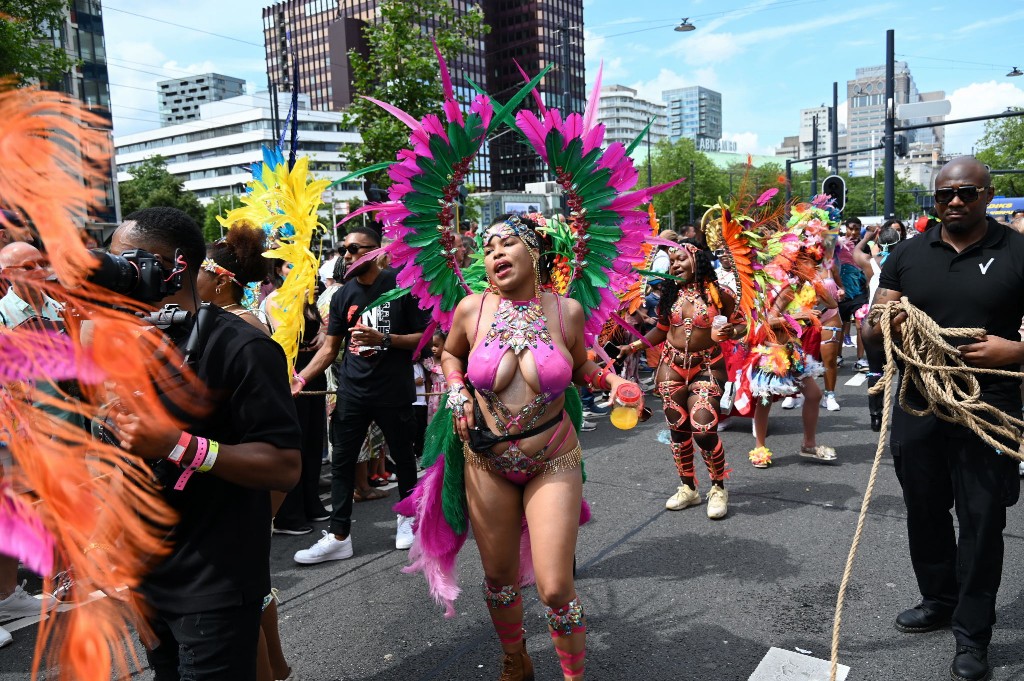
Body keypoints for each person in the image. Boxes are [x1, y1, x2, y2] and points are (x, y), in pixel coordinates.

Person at [442, 214, 640, 680]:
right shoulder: (471, 309)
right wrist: (456, 389)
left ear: (534, 252)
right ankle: (516, 660)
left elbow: (579, 364)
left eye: (508, 244)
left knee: (554, 587)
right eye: (489, 249)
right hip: (486, 459)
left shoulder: (564, 310)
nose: (495, 255)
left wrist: (610, 380)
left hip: (553, 457)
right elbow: (450, 354)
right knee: (498, 580)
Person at [107, 207, 301, 681]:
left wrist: (178, 444)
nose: (114, 275)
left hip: (213, 583)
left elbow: (282, 466)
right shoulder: (121, 344)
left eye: (126, 263)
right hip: (146, 578)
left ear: (174, 265)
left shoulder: (242, 347)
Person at [862, 157, 1024, 681]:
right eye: (944, 194)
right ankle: (939, 598)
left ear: (987, 195)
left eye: (967, 193)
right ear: (933, 199)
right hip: (920, 402)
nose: (955, 201)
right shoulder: (907, 254)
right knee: (924, 508)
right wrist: (880, 321)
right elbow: (874, 334)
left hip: (989, 405)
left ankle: (973, 634)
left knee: (981, 520)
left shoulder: (1017, 250)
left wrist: (1014, 351)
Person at [291, 225, 428, 560]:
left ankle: (407, 519)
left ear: (377, 251)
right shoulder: (342, 296)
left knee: (404, 457)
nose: (348, 255)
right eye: (345, 249)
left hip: (392, 389)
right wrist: (301, 379)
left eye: (356, 249)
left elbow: (426, 341)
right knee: (342, 462)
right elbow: (328, 350)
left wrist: (384, 340)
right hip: (352, 391)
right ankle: (339, 536)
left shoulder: (401, 287)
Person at [620, 243, 744, 518]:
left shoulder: (720, 295)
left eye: (680, 259)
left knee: (703, 428)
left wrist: (730, 331)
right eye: (671, 261)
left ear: (697, 260)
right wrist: (634, 347)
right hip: (670, 366)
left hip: (707, 367)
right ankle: (688, 488)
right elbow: (663, 329)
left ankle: (718, 488)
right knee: (678, 429)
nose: (674, 265)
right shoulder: (670, 294)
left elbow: (740, 323)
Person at [853, 219, 904, 431]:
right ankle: (903, 414)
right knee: (904, 370)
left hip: (873, 323)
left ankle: (876, 415)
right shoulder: (904, 262)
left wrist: (867, 237)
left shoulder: (869, 263)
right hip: (897, 323)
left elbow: (856, 251)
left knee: (875, 370)